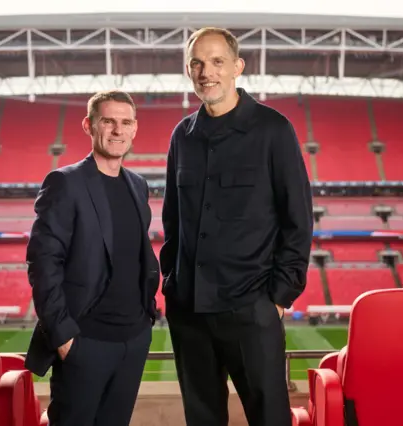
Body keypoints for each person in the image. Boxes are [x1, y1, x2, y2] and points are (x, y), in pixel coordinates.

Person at [159, 27, 314, 426]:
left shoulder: (273, 130)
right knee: (203, 419)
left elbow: (297, 219)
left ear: (237, 67)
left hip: (251, 309)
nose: (205, 71)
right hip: (189, 311)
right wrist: (172, 283)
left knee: (269, 418)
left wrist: (277, 299)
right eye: (196, 62)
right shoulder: (182, 136)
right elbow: (172, 219)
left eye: (216, 61)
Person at [24, 90, 161, 426]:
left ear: (134, 129)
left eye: (125, 122)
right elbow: (43, 263)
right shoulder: (64, 183)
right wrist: (65, 338)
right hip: (86, 342)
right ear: (89, 125)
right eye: (108, 121)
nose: (117, 130)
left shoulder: (137, 184)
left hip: (133, 338)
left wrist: (146, 320)